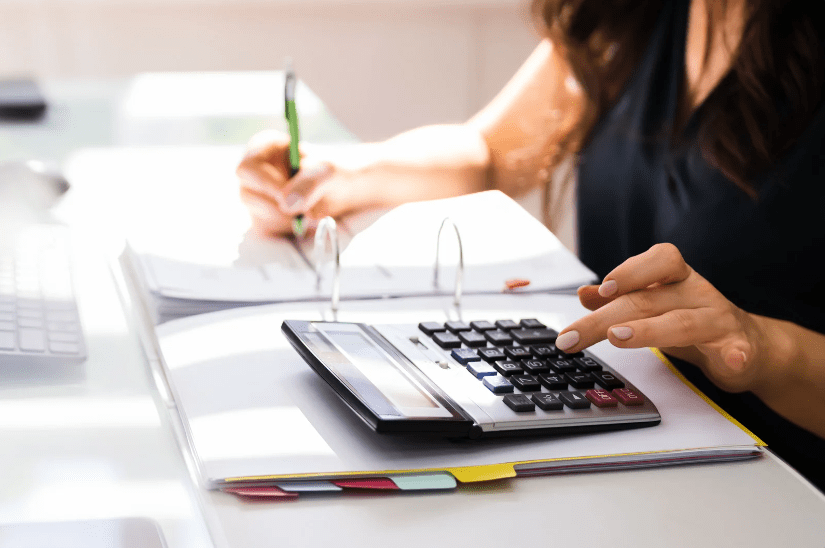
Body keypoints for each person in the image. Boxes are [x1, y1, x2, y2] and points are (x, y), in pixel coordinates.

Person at [237, 0, 825, 490]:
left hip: (782, 490)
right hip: (623, 456)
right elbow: (495, 152)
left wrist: (762, 348)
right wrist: (343, 175)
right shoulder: (631, 15)